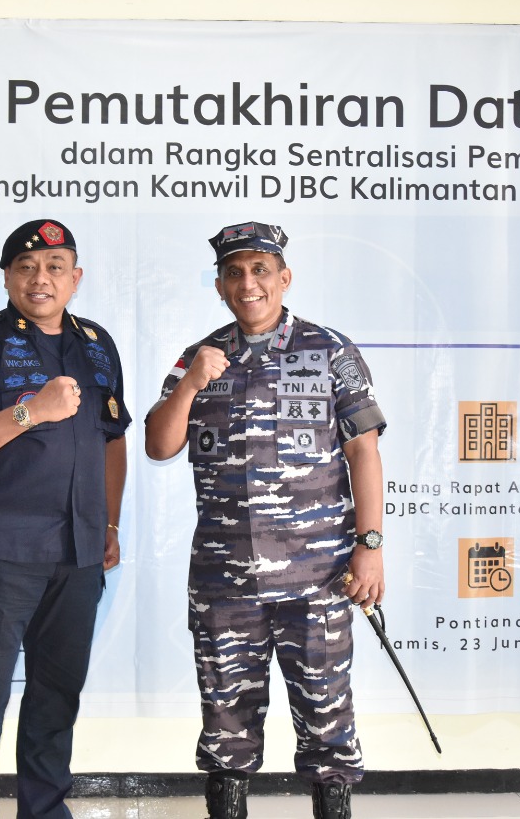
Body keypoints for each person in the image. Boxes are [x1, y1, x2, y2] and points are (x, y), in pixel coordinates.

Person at [145, 222, 387, 819]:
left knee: (327, 722)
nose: (248, 283)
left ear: (284, 277)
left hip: (318, 576)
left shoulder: (330, 350)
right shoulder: (199, 356)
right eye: (234, 273)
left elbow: (363, 451)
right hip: (225, 580)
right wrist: (191, 384)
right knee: (226, 728)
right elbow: (158, 444)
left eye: (260, 270)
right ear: (219, 285)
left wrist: (370, 545)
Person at [0, 219, 130, 819]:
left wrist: (109, 524)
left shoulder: (96, 344)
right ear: (7, 277)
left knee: (55, 699)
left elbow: (112, 439)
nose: (40, 278)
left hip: (78, 553)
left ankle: (45, 811)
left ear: (75, 277)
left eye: (54, 267)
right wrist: (31, 411)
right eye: (26, 267)